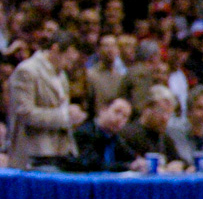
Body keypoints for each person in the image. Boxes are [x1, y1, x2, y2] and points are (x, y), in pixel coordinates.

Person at [6, 31, 85, 168]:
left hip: (60, 153)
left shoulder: (62, 75)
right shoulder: (27, 71)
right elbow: (25, 114)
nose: (69, 66)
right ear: (55, 49)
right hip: (34, 154)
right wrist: (64, 116)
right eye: (68, 59)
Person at [121, 86, 188, 171]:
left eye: (169, 114)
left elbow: (181, 160)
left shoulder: (164, 138)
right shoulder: (128, 135)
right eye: (161, 111)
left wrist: (179, 165)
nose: (165, 118)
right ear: (147, 109)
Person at [72, 96, 138, 171]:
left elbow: (131, 158)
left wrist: (138, 163)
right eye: (117, 112)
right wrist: (128, 166)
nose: (120, 119)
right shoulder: (85, 132)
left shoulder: (115, 138)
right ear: (103, 110)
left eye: (125, 116)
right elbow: (94, 165)